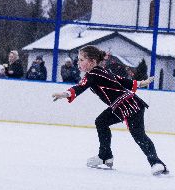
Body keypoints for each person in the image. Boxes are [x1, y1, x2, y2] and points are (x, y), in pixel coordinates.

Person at [52, 45, 168, 176]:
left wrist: (65, 94)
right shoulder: (100, 72)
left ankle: (157, 163)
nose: (78, 62)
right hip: (119, 107)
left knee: (138, 135)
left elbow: (80, 87)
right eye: (78, 59)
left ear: (92, 61)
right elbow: (121, 80)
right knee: (101, 122)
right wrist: (140, 83)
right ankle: (105, 156)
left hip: (130, 105)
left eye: (81, 60)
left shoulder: (93, 74)